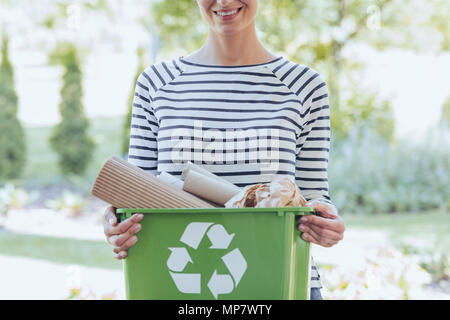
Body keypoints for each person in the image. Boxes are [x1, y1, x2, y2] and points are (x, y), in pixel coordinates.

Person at [103, 0, 345, 300]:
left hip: (279, 279)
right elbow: (134, 193)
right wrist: (116, 224)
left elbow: (313, 196)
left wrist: (326, 222)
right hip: (175, 286)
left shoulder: (304, 87)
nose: (224, 1)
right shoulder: (157, 83)